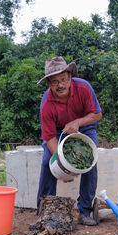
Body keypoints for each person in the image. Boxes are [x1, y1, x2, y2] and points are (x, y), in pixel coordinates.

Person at [36, 56, 102, 226]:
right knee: (46, 163)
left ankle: (85, 210)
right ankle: (44, 210)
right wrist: (63, 168)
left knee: (90, 162)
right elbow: (49, 137)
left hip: (84, 125)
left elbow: (96, 114)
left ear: (70, 77)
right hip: (58, 131)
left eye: (63, 79)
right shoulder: (46, 105)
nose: (60, 85)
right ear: (49, 84)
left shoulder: (84, 88)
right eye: (54, 82)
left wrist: (78, 123)